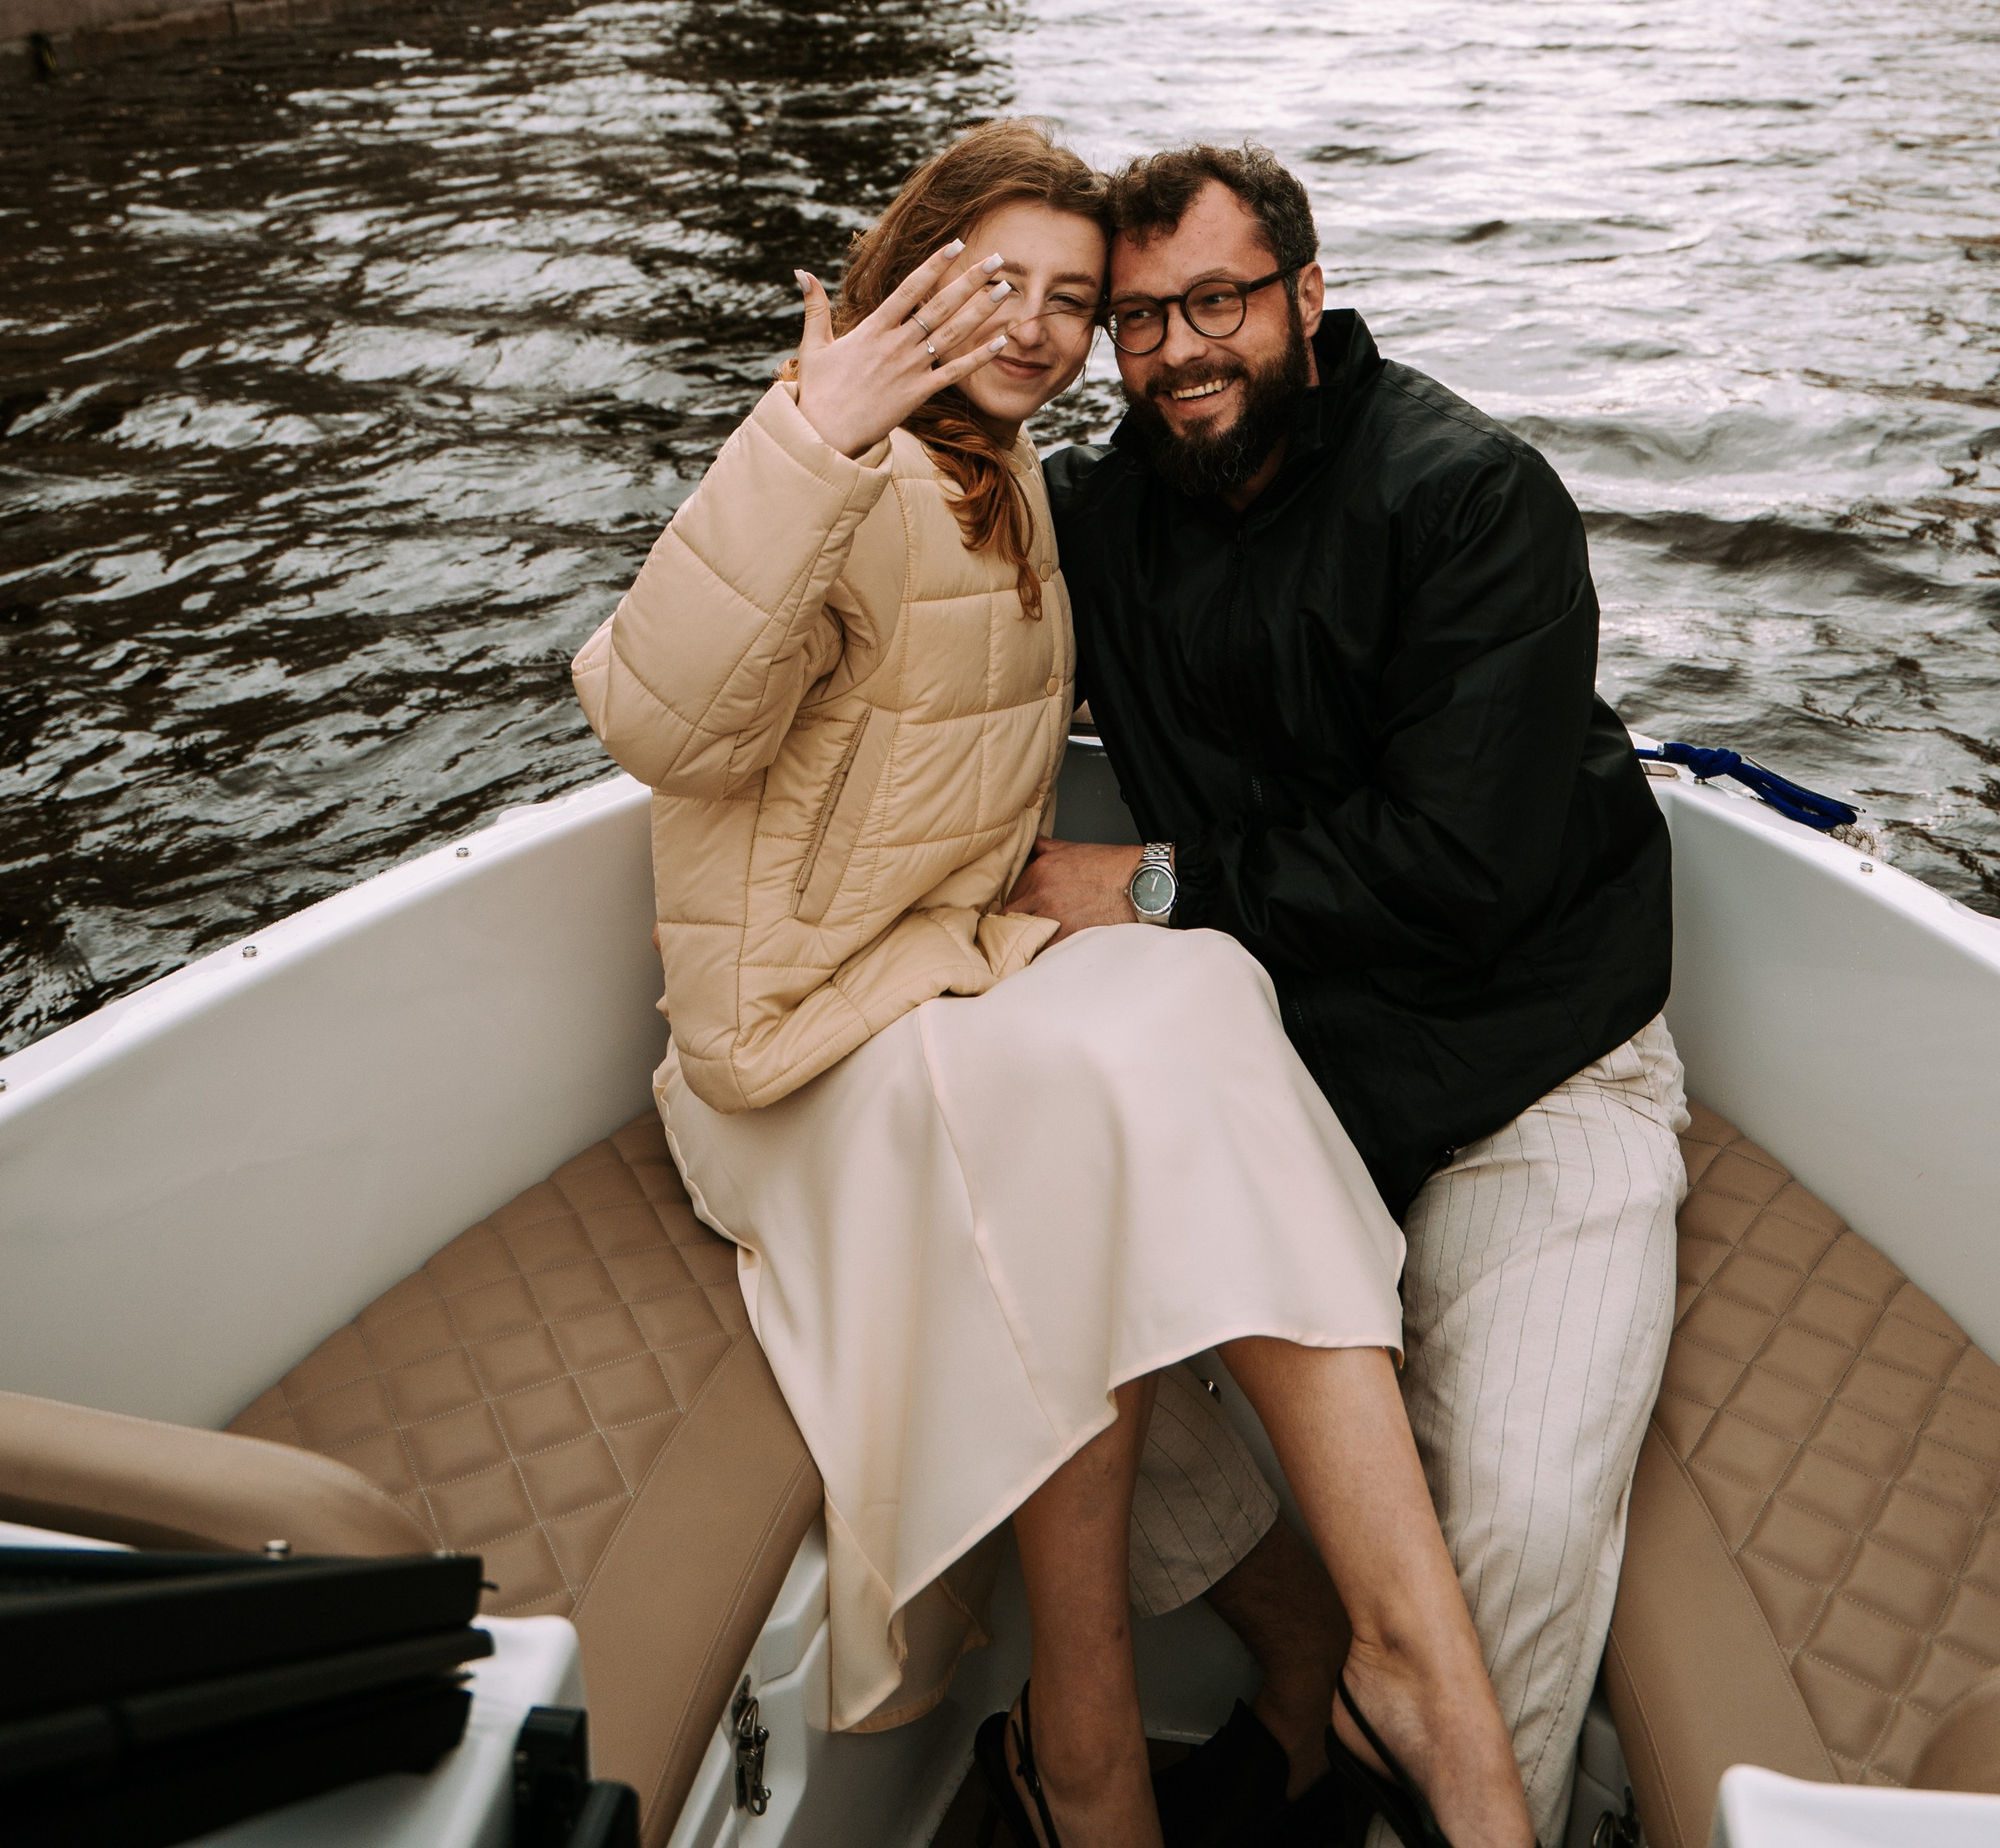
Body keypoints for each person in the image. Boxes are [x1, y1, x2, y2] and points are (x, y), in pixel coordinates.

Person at [572, 119, 1536, 1848]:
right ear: (906, 274)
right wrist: (804, 433)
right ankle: (1128, 1736)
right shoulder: (837, 457)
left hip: (933, 985)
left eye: (1071, 301)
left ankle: (1369, 1671)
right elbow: (652, 714)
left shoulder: (1018, 478)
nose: (1031, 326)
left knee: (1191, 991)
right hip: (785, 1062)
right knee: (1109, 1099)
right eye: (988, 283)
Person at [1026, 143, 1686, 1848]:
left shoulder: (1468, 496)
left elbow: (1457, 871)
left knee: (1516, 1532)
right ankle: (1297, 1647)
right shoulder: (1099, 523)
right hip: (1280, 1084)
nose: (1177, 351)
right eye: (1137, 320)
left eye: (1219, 302)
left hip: (1528, 1070)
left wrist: (1148, 888)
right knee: (1007, 1360)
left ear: (1307, 297)